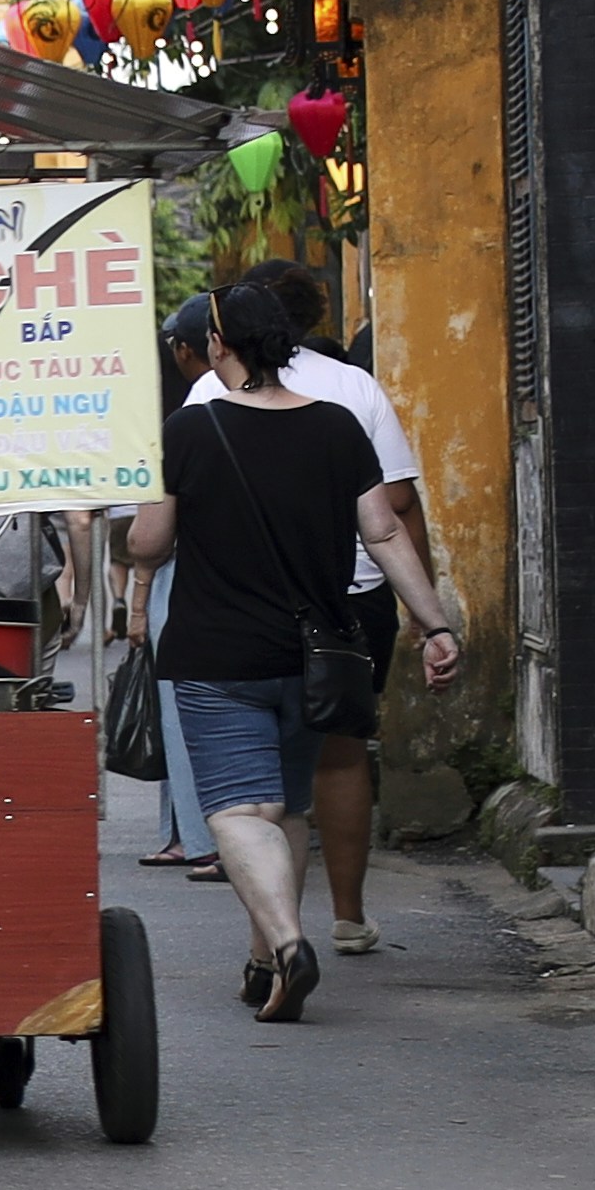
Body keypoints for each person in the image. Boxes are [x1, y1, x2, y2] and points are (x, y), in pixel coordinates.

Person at [112, 264, 464, 1022]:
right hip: (315, 652)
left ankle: (288, 941)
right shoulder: (338, 424)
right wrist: (434, 625)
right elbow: (385, 529)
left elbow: (149, 540)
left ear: (220, 346)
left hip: (219, 652)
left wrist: (142, 536)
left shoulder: (190, 427)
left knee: (241, 813)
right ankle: (262, 958)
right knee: (288, 808)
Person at [267, 310, 435, 958]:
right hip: (352, 594)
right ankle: (347, 914)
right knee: (340, 754)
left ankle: (276, 937)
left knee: (263, 770)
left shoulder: (208, 396)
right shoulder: (352, 389)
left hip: (251, 601)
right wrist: (424, 610)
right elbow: (396, 505)